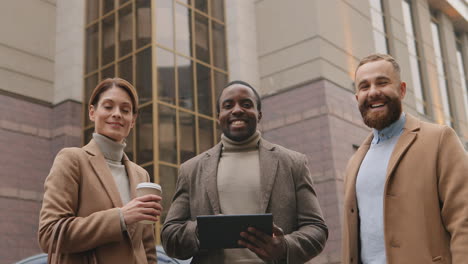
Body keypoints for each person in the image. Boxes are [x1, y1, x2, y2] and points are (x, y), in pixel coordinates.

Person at [161, 80, 328, 263]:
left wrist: (285, 247)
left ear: (259, 114)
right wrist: (202, 231)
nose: (237, 110)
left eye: (246, 104)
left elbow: (316, 228)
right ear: (219, 116)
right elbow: (170, 237)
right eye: (228, 105)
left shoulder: (293, 163)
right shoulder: (191, 170)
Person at [342, 54, 468, 264]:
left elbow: (464, 220)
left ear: (401, 90)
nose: (373, 92)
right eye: (364, 87)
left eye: (382, 82)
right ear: (357, 98)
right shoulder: (354, 162)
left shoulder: (440, 140)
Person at [38, 78, 162, 263]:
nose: (117, 114)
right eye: (108, 106)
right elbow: (50, 234)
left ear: (133, 120)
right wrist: (121, 217)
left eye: (125, 110)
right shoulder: (72, 160)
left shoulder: (140, 175)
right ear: (92, 112)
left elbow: (146, 247)